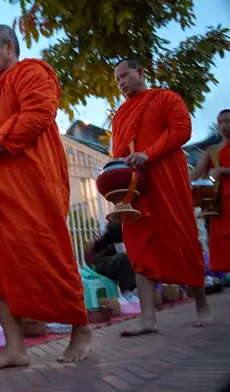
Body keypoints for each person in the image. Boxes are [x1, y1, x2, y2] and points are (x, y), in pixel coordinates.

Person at [0, 25, 91, 373]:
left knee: (48, 252)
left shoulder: (32, 72)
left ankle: (81, 328)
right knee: (0, 266)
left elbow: (39, 113)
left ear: (9, 46)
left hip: (31, 183)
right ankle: (15, 347)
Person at [110, 58, 212, 336]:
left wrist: (148, 154)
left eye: (124, 75)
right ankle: (147, 318)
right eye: (117, 79)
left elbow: (181, 131)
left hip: (166, 179)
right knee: (138, 245)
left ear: (140, 72)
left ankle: (201, 304)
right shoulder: (120, 115)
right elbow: (118, 151)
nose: (120, 82)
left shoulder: (166, 98)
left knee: (181, 237)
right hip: (135, 186)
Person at [190, 109, 230, 273]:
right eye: (220, 122)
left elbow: (218, 171)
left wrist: (221, 171)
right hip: (219, 205)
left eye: (227, 121)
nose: (223, 125)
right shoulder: (212, 150)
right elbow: (195, 173)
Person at [85, 222, 138, 303]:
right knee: (124, 258)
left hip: (111, 263)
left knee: (131, 259)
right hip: (102, 264)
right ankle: (127, 293)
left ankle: (136, 291)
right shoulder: (116, 229)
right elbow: (122, 252)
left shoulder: (125, 228)